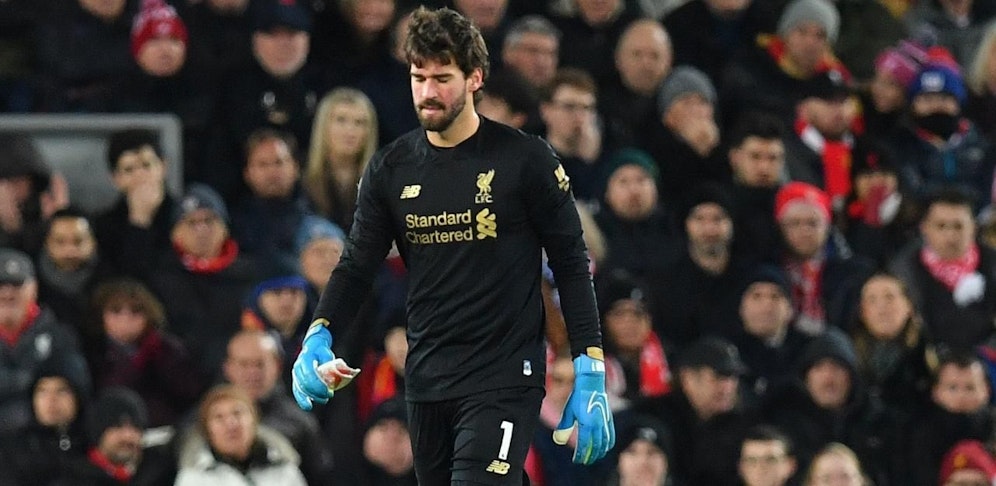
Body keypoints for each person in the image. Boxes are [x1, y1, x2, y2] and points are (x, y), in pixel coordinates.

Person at [291, 6, 614, 485]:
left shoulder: (526, 160)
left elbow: (571, 263)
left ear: (474, 79)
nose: (428, 92)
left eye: (442, 79)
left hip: (504, 375)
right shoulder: (391, 168)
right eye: (418, 78)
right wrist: (319, 333)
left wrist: (590, 367)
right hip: (427, 376)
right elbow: (357, 265)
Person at [174, 384, 307, 486]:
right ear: (208, 430)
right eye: (219, 417)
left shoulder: (284, 470)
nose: (230, 424)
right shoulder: (193, 479)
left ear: (254, 421)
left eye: (237, 413)